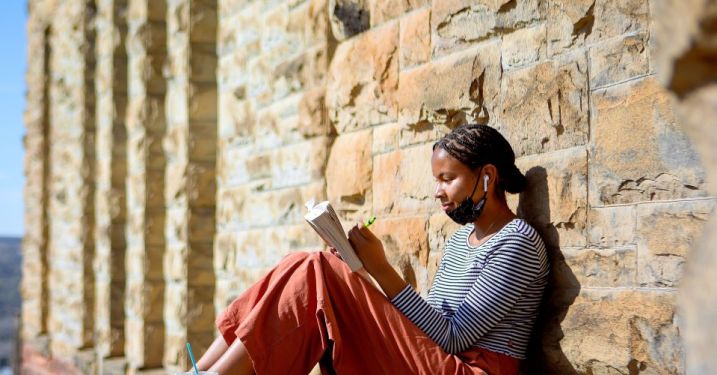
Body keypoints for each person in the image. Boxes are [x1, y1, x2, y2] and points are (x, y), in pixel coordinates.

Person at [192, 124, 549, 375]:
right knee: (305, 265)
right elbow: (428, 327)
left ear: (487, 176)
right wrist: (358, 273)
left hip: (466, 369)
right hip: (435, 360)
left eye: (447, 179)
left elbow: (452, 339)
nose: (438, 192)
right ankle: (200, 371)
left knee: (316, 270)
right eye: (436, 180)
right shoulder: (460, 242)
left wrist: (381, 271)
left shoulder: (517, 243)